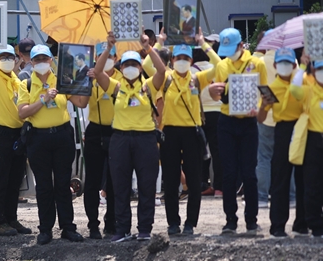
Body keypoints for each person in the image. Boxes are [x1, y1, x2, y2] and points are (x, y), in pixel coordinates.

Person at [94, 32, 167, 242]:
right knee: (120, 186)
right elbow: (98, 72)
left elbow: (162, 70)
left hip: (145, 140)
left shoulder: (149, 86)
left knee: (146, 186)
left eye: (135, 64)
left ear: (141, 67)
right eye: (126, 65)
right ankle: (122, 229)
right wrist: (109, 47)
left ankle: (144, 229)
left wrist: (147, 48)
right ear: (121, 69)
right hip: (120, 140)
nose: (131, 68)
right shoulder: (116, 87)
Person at [17, 44, 87, 245]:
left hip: (62, 136)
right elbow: (22, 113)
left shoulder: (62, 79)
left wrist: (85, 81)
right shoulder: (27, 83)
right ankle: (45, 229)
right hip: (38, 138)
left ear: (51, 61)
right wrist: (44, 99)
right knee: (44, 186)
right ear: (31, 62)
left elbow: (81, 103)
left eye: (44, 59)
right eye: (37, 60)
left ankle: (68, 227)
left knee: (63, 184)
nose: (41, 63)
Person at [202, 28, 267, 235]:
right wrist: (212, 93)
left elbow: (265, 93)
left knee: (249, 173)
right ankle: (230, 220)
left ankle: (251, 220)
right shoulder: (222, 65)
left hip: (249, 124)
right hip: (226, 122)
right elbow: (217, 94)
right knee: (228, 173)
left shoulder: (257, 64)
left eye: (233, 49)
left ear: (241, 46)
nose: (230, 53)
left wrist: (259, 110)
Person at [0, 47, 31, 237]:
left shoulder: (18, 81)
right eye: (3, 57)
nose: (7, 60)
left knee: (14, 179)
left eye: (10, 57)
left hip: (17, 134)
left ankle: (11, 218)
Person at [157, 44, 205, 235]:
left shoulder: (197, 79)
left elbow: (219, 68)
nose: (182, 62)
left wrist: (204, 43)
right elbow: (147, 63)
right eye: (179, 58)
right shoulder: (166, 78)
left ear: (191, 61)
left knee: (194, 181)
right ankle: (173, 223)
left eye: (186, 58)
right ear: (172, 61)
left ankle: (190, 223)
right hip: (170, 133)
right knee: (170, 181)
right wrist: (159, 42)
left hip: (191, 133)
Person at [259, 48, 306, 237]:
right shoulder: (271, 88)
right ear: (275, 65)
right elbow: (261, 118)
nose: (285, 66)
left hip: (301, 130)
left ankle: (302, 222)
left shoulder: (302, 84)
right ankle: (277, 225)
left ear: (294, 65)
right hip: (282, 131)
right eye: (282, 63)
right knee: (280, 178)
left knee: (303, 177)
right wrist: (263, 105)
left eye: (289, 63)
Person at [83, 42, 119, 239]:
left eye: (112, 55)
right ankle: (92, 224)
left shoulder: (121, 78)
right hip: (95, 130)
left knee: (114, 181)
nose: (108, 59)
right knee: (93, 181)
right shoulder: (91, 77)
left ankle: (111, 222)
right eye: (104, 55)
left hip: (116, 130)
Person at [291, 58, 323, 237]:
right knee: (312, 184)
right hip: (312, 141)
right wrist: (302, 65)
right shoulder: (308, 90)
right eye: (319, 69)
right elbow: (294, 88)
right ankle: (316, 224)